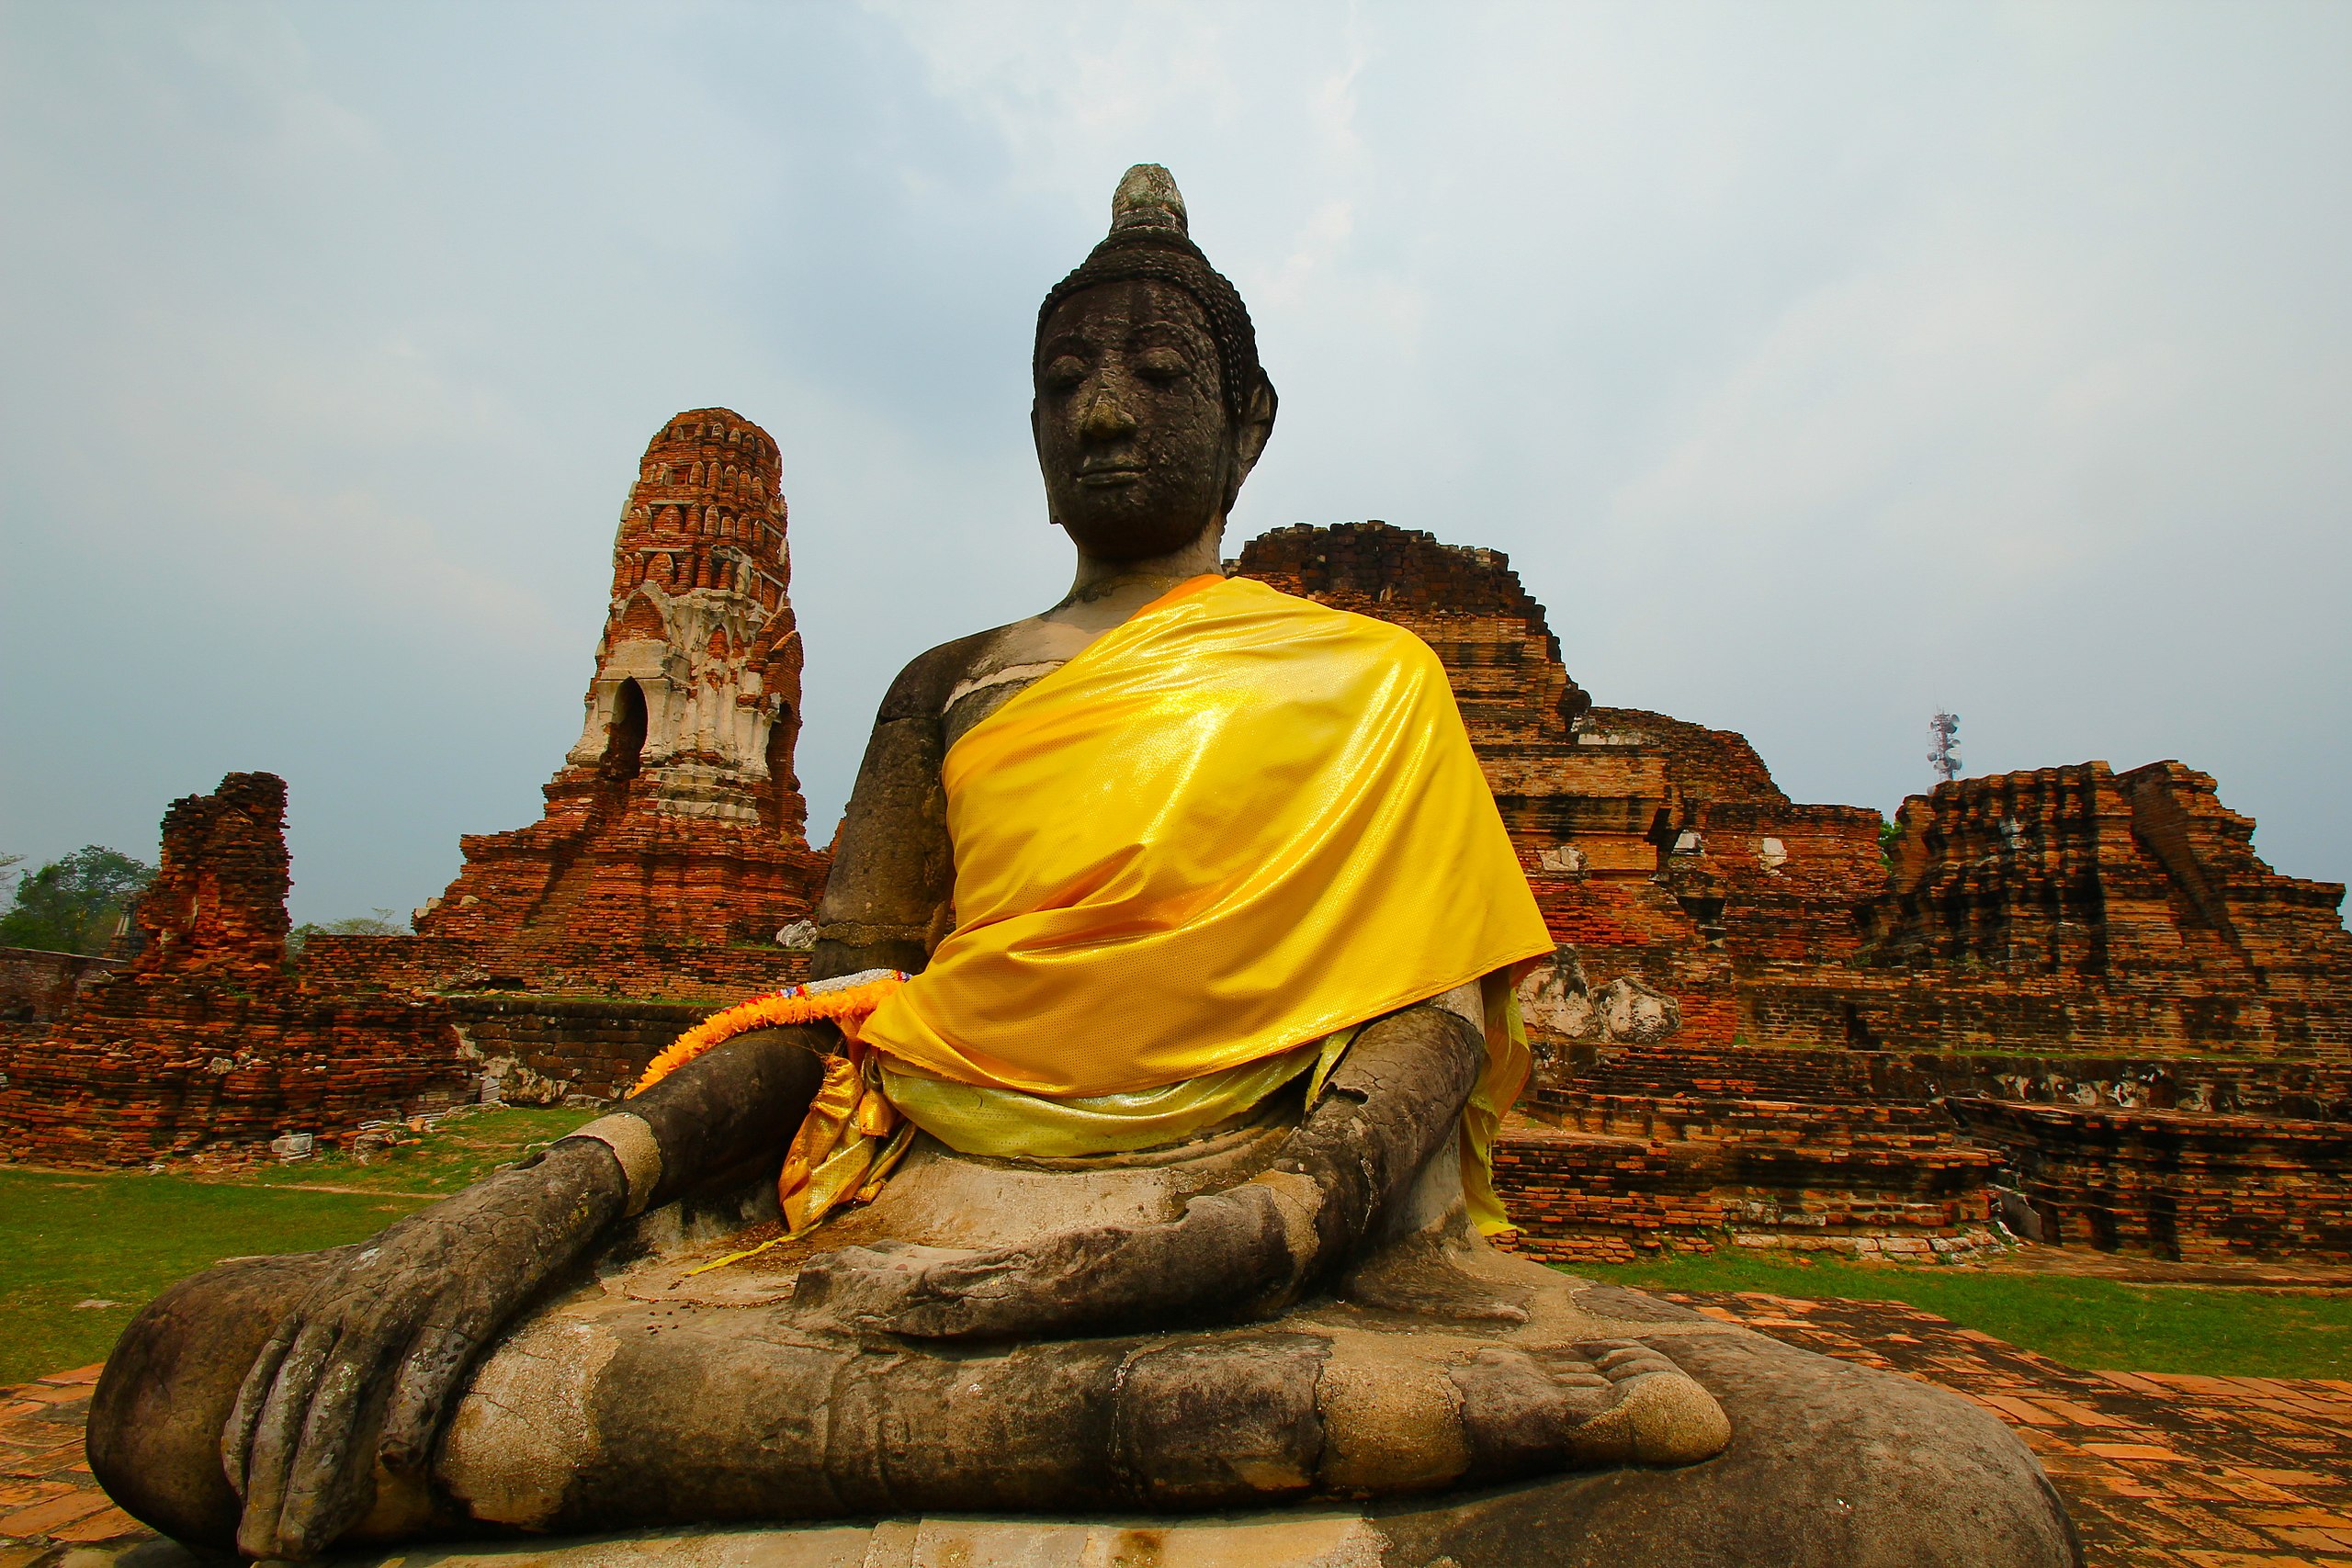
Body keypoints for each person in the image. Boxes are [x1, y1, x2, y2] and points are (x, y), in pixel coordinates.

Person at [89, 168, 2077, 1568]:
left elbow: (1419, 1026)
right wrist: (520, 1214)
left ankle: (1077, 1409)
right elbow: (842, 1017)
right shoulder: (945, 686)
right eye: (1060, 379)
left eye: (1151, 370)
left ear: (1248, 413)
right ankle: (1262, 1437)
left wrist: (1262, 1225)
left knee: (1918, 1501)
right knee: (204, 1375)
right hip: (917, 1213)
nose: (1101, 406)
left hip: (1251, 1234)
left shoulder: (1363, 676)